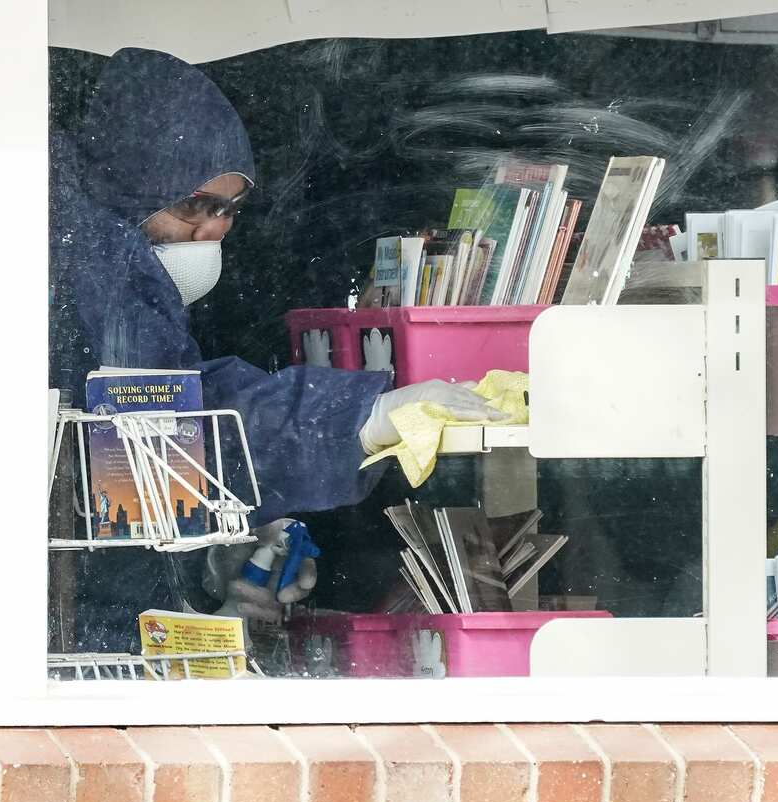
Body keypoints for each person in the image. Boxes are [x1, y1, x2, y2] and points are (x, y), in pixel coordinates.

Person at [49, 48, 500, 652]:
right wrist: (358, 419)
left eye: (230, 210)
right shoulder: (92, 264)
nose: (212, 229)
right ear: (133, 184)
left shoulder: (106, 260)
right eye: (193, 205)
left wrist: (223, 551)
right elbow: (156, 415)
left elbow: (163, 420)